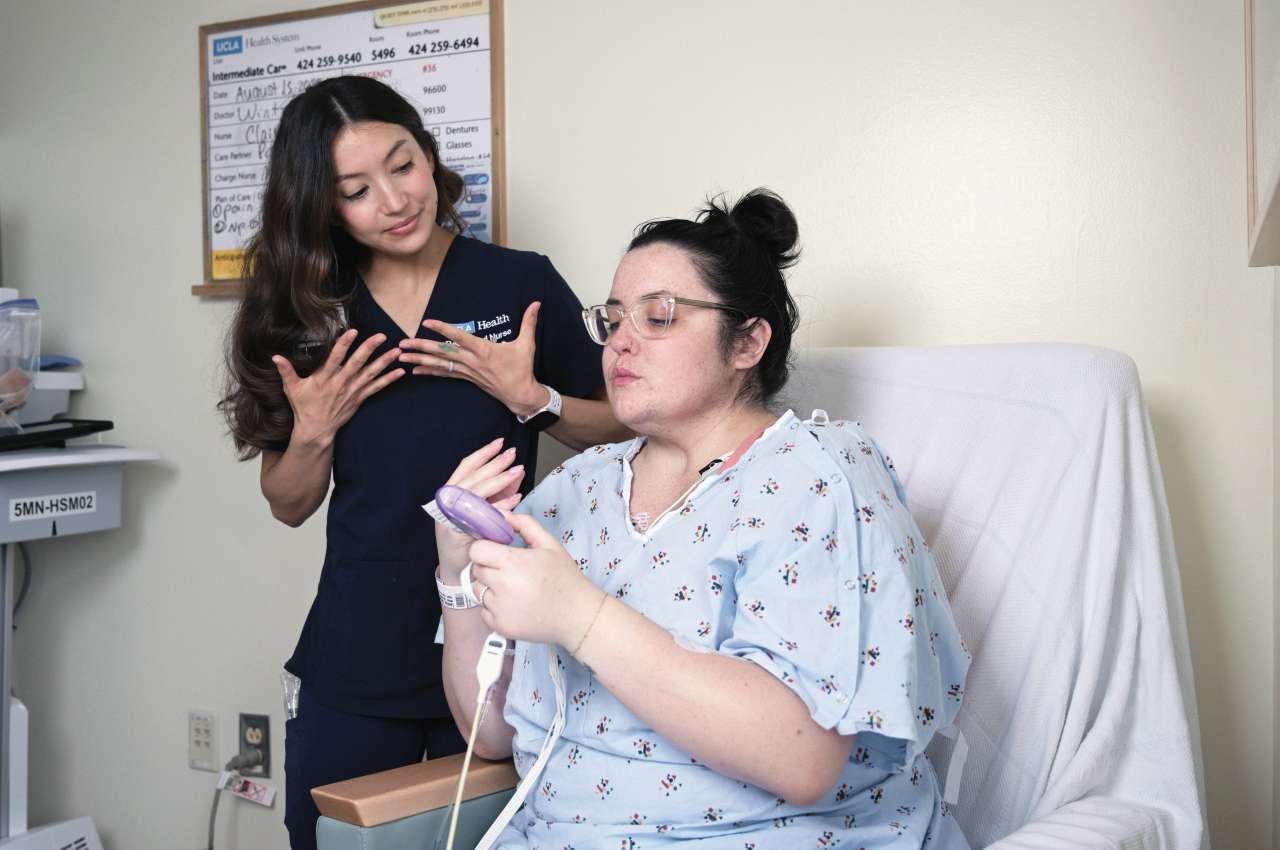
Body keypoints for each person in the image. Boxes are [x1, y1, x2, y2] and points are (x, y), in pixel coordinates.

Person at [435, 189, 971, 848]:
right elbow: (487, 735)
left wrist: (579, 614)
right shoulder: (575, 491)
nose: (620, 342)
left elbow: (802, 759)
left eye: (659, 317)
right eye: (612, 319)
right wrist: (457, 571)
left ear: (747, 341)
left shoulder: (819, 479)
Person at [218, 75, 627, 850]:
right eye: (356, 190)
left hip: (498, 647)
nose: (395, 200)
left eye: (402, 166)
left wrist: (533, 398)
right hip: (356, 652)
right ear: (324, 206)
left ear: (429, 155)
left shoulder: (518, 281)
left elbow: (621, 428)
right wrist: (313, 432)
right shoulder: (311, 311)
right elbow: (288, 502)